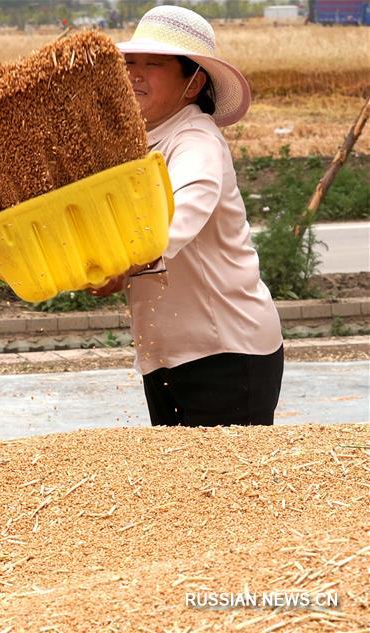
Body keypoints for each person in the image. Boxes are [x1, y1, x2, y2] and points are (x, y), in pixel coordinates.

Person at [94, 6, 284, 427]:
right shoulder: (140, 144)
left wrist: (121, 265)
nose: (136, 75)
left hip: (226, 355)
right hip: (167, 355)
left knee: (223, 489)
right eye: (130, 63)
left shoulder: (195, 141)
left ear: (194, 82)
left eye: (154, 65)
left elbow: (176, 222)